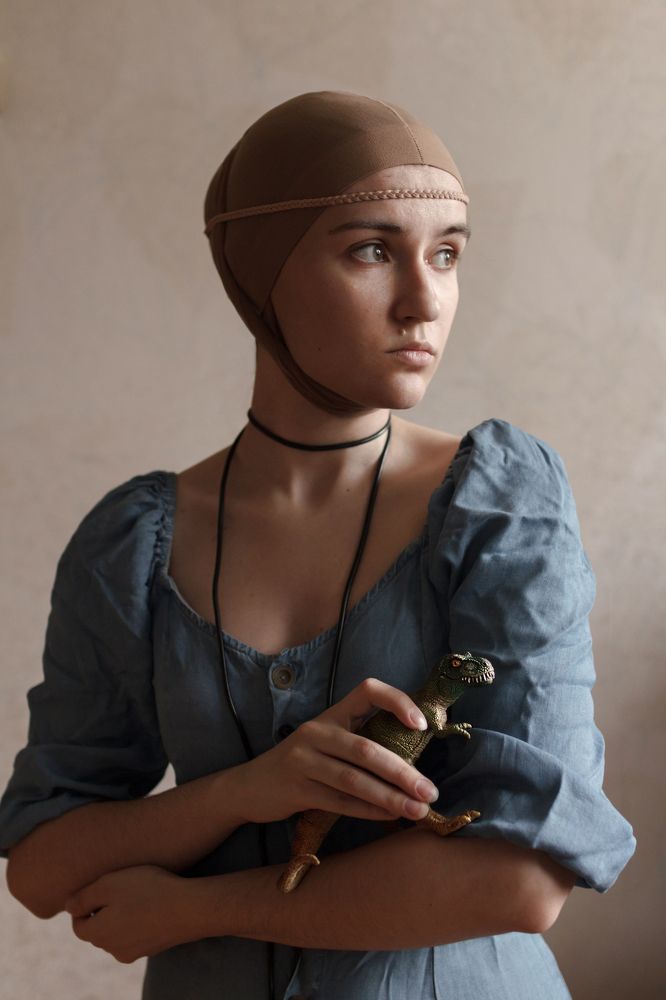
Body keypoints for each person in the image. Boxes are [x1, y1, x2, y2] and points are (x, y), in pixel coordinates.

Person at [0, 92, 635, 1000]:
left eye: (447, 254)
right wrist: (246, 790)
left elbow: (523, 879)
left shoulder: (501, 506)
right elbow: (42, 866)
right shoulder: (132, 544)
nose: (424, 301)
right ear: (262, 271)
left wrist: (196, 908)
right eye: (371, 250)